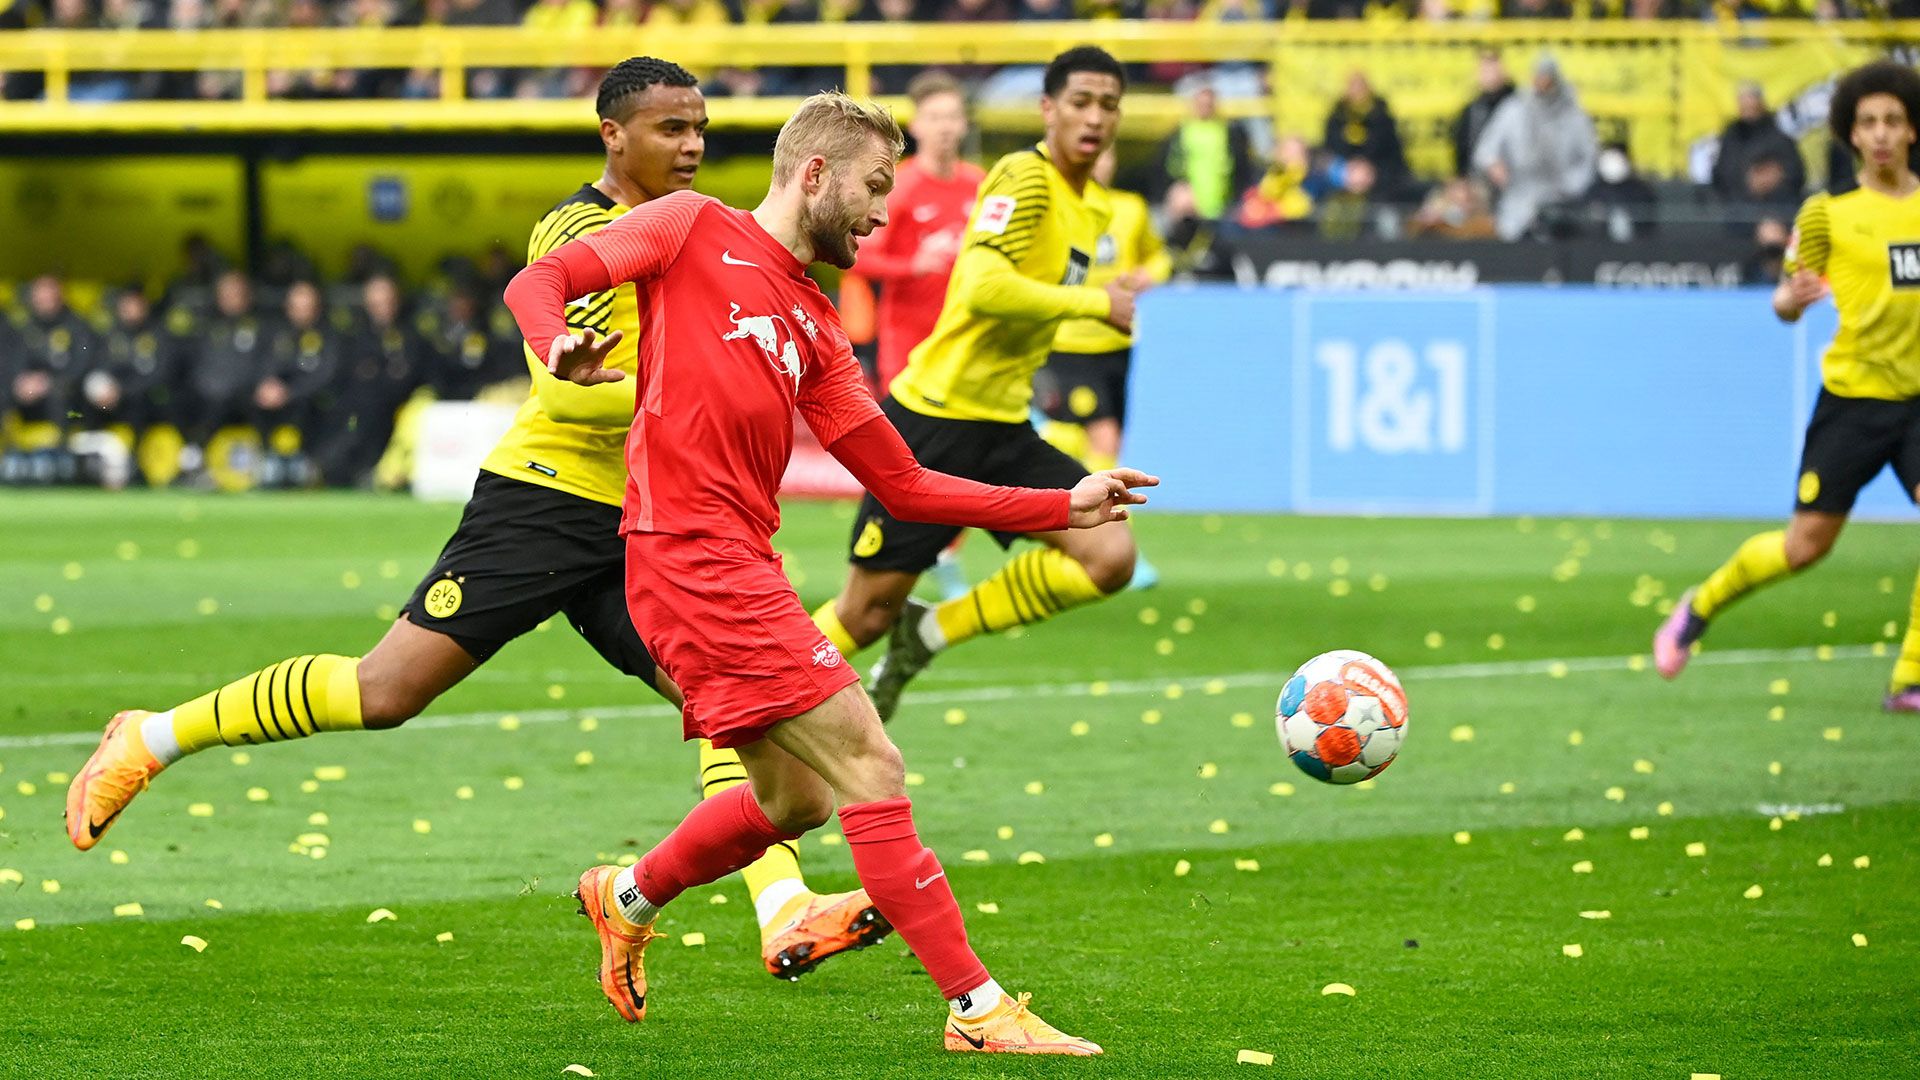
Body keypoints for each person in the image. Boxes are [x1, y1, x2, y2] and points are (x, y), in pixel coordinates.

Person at [65, 57, 887, 984]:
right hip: (548, 499)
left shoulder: (704, 233)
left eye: (699, 128)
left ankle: (779, 907)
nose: (691, 145)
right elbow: (565, 391)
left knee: (732, 708)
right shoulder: (582, 230)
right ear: (612, 135)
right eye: (668, 128)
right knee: (386, 692)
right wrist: (709, 395)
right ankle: (151, 736)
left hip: (655, 527)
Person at [504, 87, 1154, 1053]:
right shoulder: (686, 228)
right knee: (871, 765)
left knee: (796, 800)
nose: (884, 212)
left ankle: (626, 893)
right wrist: (558, 342)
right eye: (875, 187)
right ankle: (978, 1011)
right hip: (688, 559)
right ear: (815, 173)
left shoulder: (813, 323)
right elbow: (540, 281)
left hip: (729, 561)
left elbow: (907, 482)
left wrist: (1062, 505)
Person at [812, 46, 1141, 724]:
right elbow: (984, 285)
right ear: (1048, 109)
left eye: (1108, 105)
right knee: (864, 611)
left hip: (1002, 424)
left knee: (1110, 555)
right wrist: (1094, 304)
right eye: (1080, 101)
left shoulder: (1093, 209)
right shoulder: (1023, 175)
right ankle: (752, 708)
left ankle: (931, 631)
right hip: (934, 420)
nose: (1095, 117)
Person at [1654, 60, 1920, 713]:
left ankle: (1909, 678)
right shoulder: (1829, 214)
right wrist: (1793, 299)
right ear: (1851, 136)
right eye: (1868, 123)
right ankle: (1700, 607)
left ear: (1911, 130)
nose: (1881, 134)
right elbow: (1784, 300)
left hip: (1917, 404)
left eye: (1892, 121)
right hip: (1854, 404)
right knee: (1804, 547)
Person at [842, 70, 985, 600]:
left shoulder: (979, 183)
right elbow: (861, 254)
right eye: (936, 117)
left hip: (966, 347)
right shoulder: (898, 185)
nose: (946, 127)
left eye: (954, 116)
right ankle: (891, 555)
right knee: (908, 454)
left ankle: (942, 555)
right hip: (908, 347)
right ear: (917, 125)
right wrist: (913, 263)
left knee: (964, 453)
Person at [1472, 55, 1597, 241]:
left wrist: (1570, 187)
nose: (1543, 84)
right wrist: (1494, 164)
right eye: (1539, 78)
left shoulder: (1574, 115)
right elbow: (1484, 150)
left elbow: (1589, 159)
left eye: (1547, 79)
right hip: (1518, 197)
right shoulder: (1514, 109)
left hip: (1561, 203)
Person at [1451, 49, 1514, 180]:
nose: (1490, 74)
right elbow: (1462, 151)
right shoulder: (1471, 110)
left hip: (1514, 178)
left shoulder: (1519, 106)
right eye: (1485, 70)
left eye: (1493, 68)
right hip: (1478, 180)